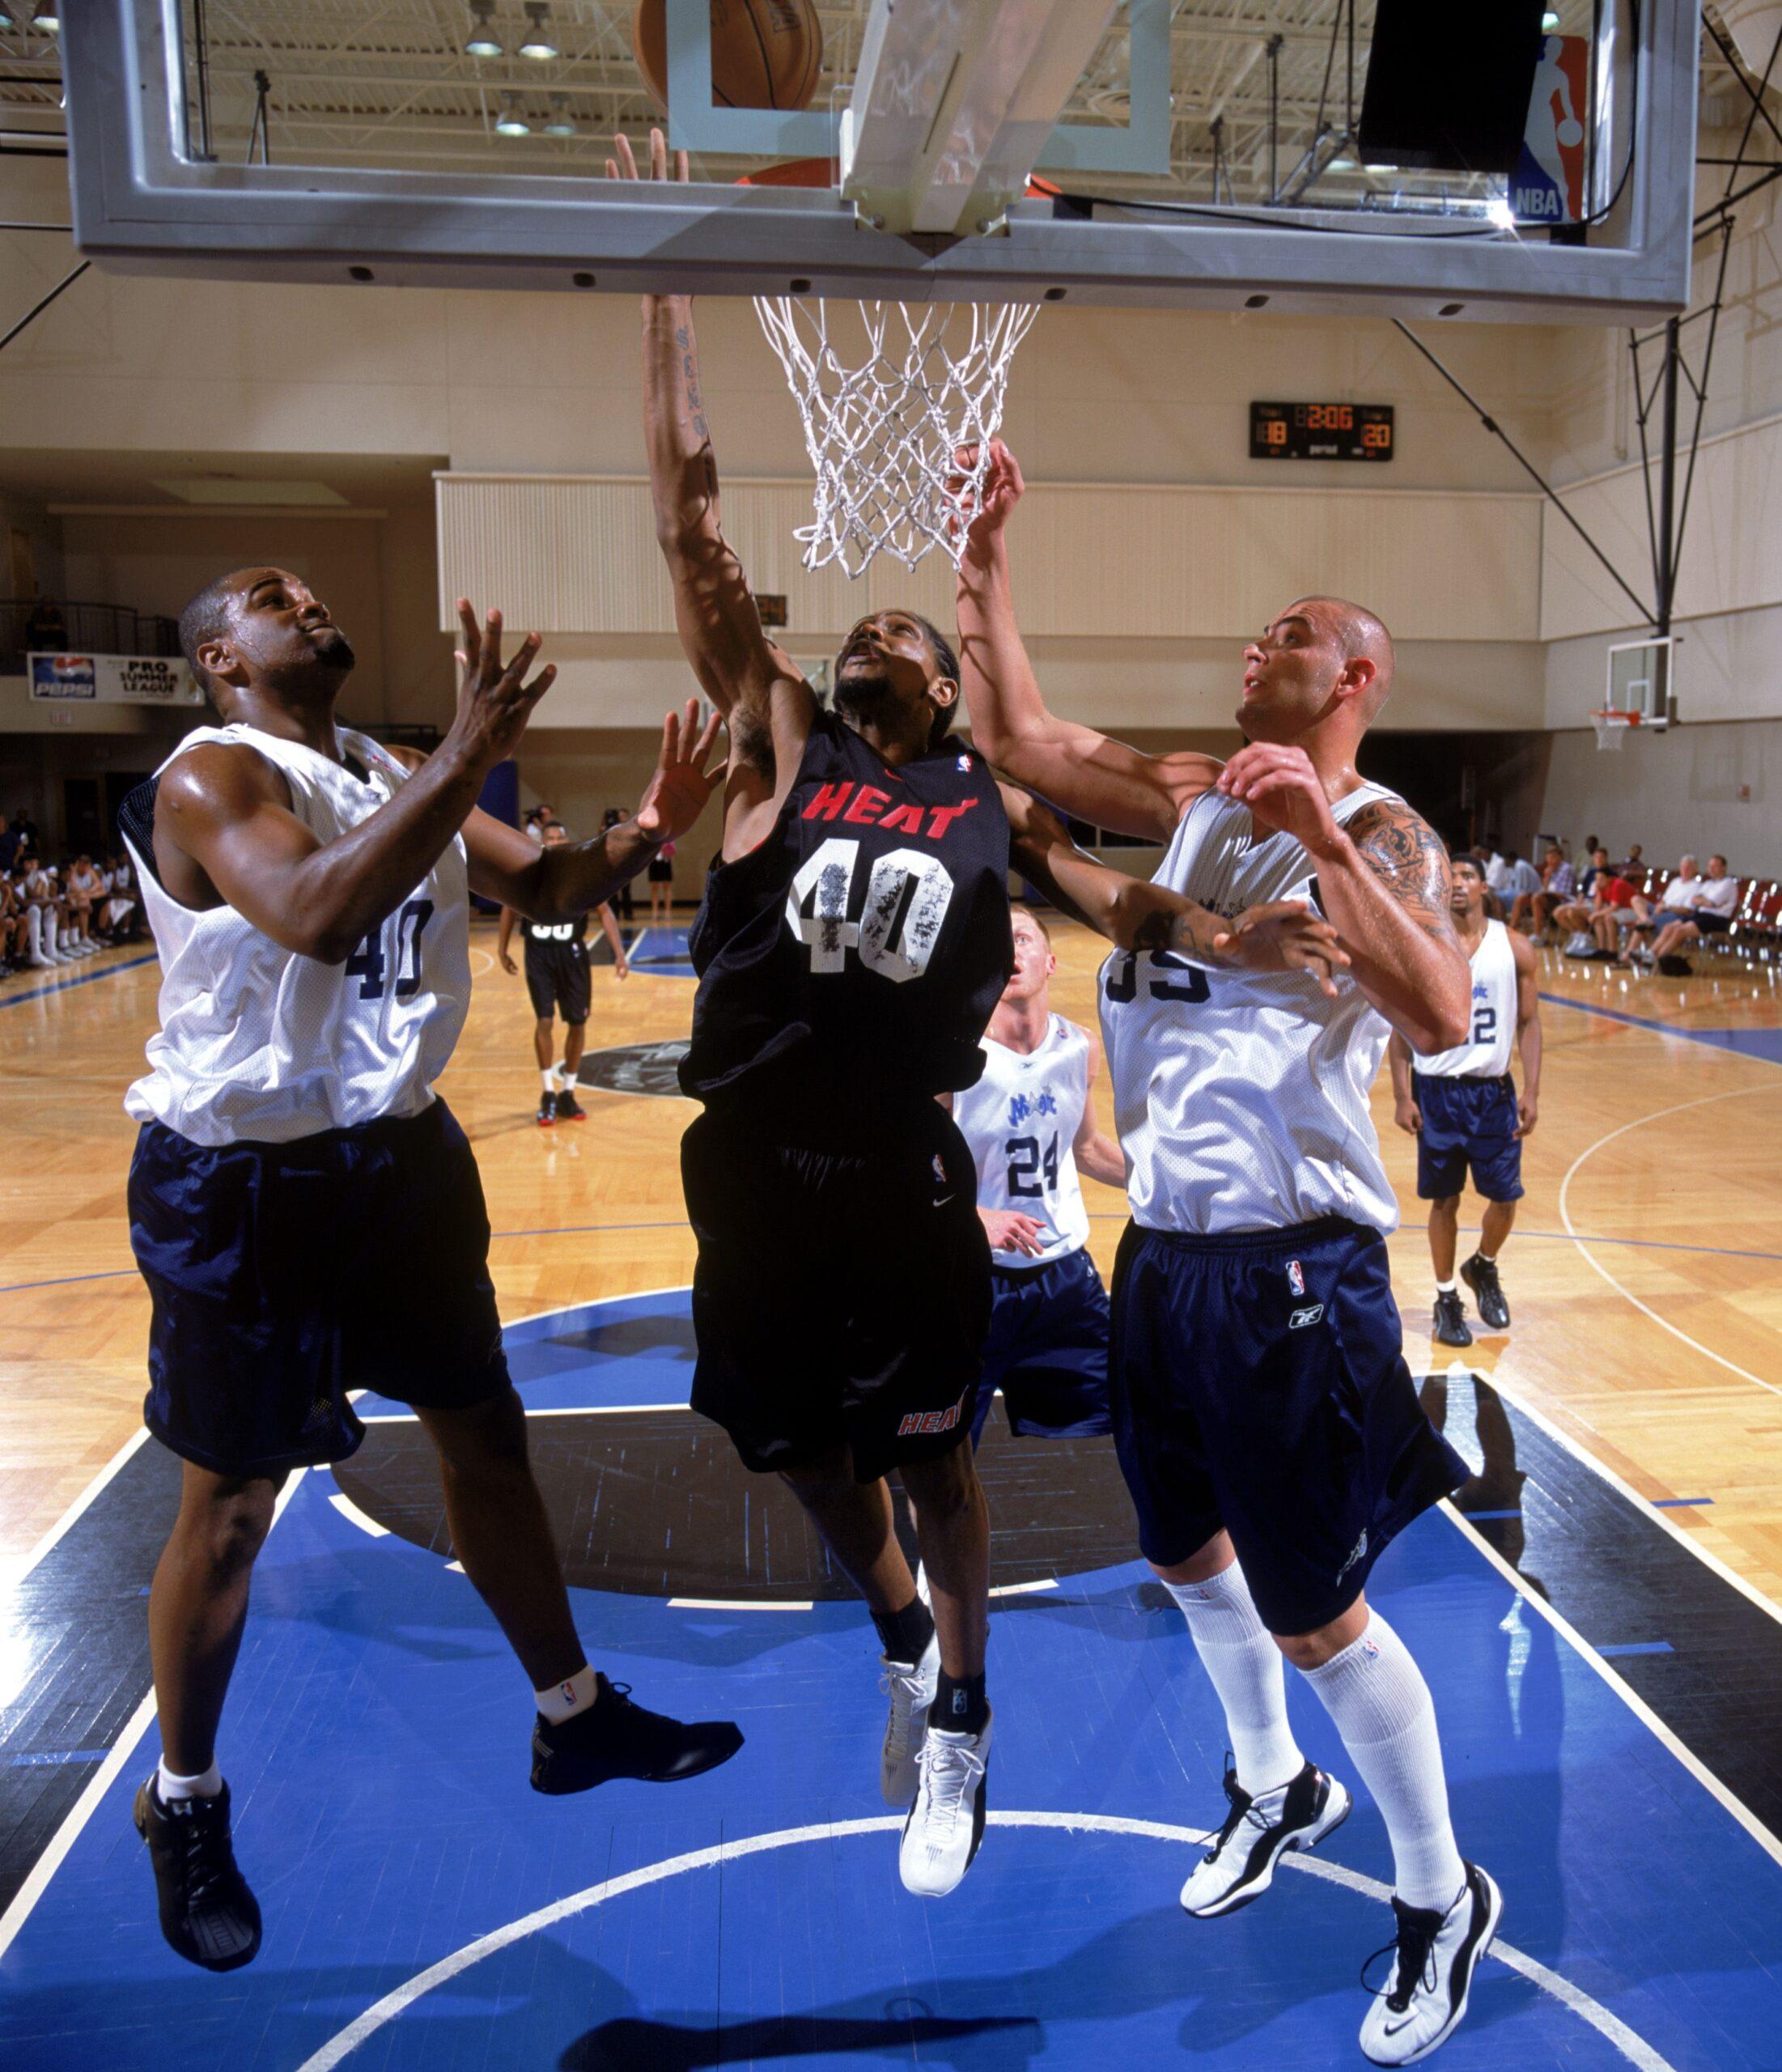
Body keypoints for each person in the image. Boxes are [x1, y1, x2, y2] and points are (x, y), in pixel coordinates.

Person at [956, 437, 1499, 2068]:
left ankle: (1439, 1890)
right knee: (1184, 1551)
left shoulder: (1383, 833)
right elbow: (1020, 739)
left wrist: (1321, 838)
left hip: (1291, 1274)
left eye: (1293, 633)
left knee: (1317, 1610)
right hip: (1166, 1257)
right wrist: (984, 555)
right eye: (1260, 630)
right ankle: (1273, 1782)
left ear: (1357, 677)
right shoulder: (1194, 792)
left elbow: (1443, 1013)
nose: (1260, 642)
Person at [121, 565, 740, 1977]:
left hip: (398, 1159)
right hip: (245, 1182)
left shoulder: (388, 765)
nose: (307, 599)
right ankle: (186, 1801)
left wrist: (652, 823)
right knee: (230, 1509)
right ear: (221, 656)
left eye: (310, 587)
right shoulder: (211, 776)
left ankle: (572, 1713)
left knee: (486, 1439)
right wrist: (465, 756)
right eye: (273, 596)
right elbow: (315, 910)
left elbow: (553, 886)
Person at [948, 903, 1126, 1447]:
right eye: (996, 943)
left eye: (1022, 938)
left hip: (1063, 1277)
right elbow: (903, 1163)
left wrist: (1172, 1178)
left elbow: (1087, 1148)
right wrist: (970, 1216)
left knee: (1124, 1423)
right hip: (971, 1277)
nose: (1010, 951)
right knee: (942, 1453)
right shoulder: (952, 1057)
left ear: (1050, 962)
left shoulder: (1079, 1047)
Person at [1389, 854, 1541, 1348]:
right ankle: (1445, 1296)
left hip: (1493, 1092)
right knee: (1444, 1199)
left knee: (1505, 1195)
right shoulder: (1423, 945)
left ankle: (1484, 1266)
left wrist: (1533, 1091)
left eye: (1468, 876)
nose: (1457, 883)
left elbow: (1529, 1023)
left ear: (1484, 888)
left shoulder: (1514, 946)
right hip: (1437, 1092)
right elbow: (1400, 1025)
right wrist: (1402, 1094)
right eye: (1450, 876)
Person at [498, 822, 630, 1125]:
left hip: (572, 955)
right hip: (539, 953)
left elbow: (604, 911)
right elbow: (508, 908)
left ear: (567, 840)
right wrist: (502, 948)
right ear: (542, 841)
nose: (556, 841)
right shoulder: (528, 872)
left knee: (578, 1022)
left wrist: (619, 954)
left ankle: (568, 1092)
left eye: (560, 837)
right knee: (544, 1020)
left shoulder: (578, 872)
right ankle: (548, 1092)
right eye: (551, 837)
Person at [1649, 852, 1740, 970]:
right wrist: (1705, 901)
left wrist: (1705, 901)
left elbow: (1711, 903)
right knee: (1669, 927)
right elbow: (1695, 900)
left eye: (1715, 866)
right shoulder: (1708, 884)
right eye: (1710, 866)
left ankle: (1656, 960)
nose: (1711, 869)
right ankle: (1650, 954)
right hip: (1701, 915)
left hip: (1717, 919)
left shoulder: (1728, 884)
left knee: (1680, 931)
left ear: (1723, 867)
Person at [1619, 853, 1702, 966]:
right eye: (1683, 867)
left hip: (1675, 914)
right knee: (1636, 899)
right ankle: (1646, 919)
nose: (1685, 870)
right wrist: (1659, 907)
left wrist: (1666, 908)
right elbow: (1664, 899)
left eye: (1688, 868)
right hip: (1661, 910)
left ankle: (1628, 956)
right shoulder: (1675, 882)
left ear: (1695, 870)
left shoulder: (1697, 886)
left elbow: (1688, 910)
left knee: (1640, 925)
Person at [1525, 846, 1574, 937]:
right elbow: (1544, 889)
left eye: (1553, 858)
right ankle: (1511, 929)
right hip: (1550, 899)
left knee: (1537, 898)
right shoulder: (1550, 870)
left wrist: (1545, 893)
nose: (1550, 861)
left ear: (1561, 857)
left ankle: (1538, 934)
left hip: (1563, 902)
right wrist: (1547, 877)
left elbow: (1563, 895)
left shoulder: (1566, 869)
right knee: (1522, 898)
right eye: (1548, 858)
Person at [64, 851, 104, 956]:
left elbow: (99, 885)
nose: (84, 868)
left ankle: (86, 937)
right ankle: (82, 938)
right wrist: (86, 894)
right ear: (77, 864)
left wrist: (88, 894)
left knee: (94, 897)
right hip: (70, 899)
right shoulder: (72, 873)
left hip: (83, 898)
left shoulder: (90, 872)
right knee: (83, 902)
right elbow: (74, 889)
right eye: (82, 865)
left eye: (87, 865)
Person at [647, 834, 677, 923]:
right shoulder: (651, 832)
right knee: (654, 887)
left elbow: (672, 849)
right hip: (654, 860)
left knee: (666, 887)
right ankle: (655, 912)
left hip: (665, 860)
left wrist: (666, 847)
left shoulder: (668, 833)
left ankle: (667, 912)